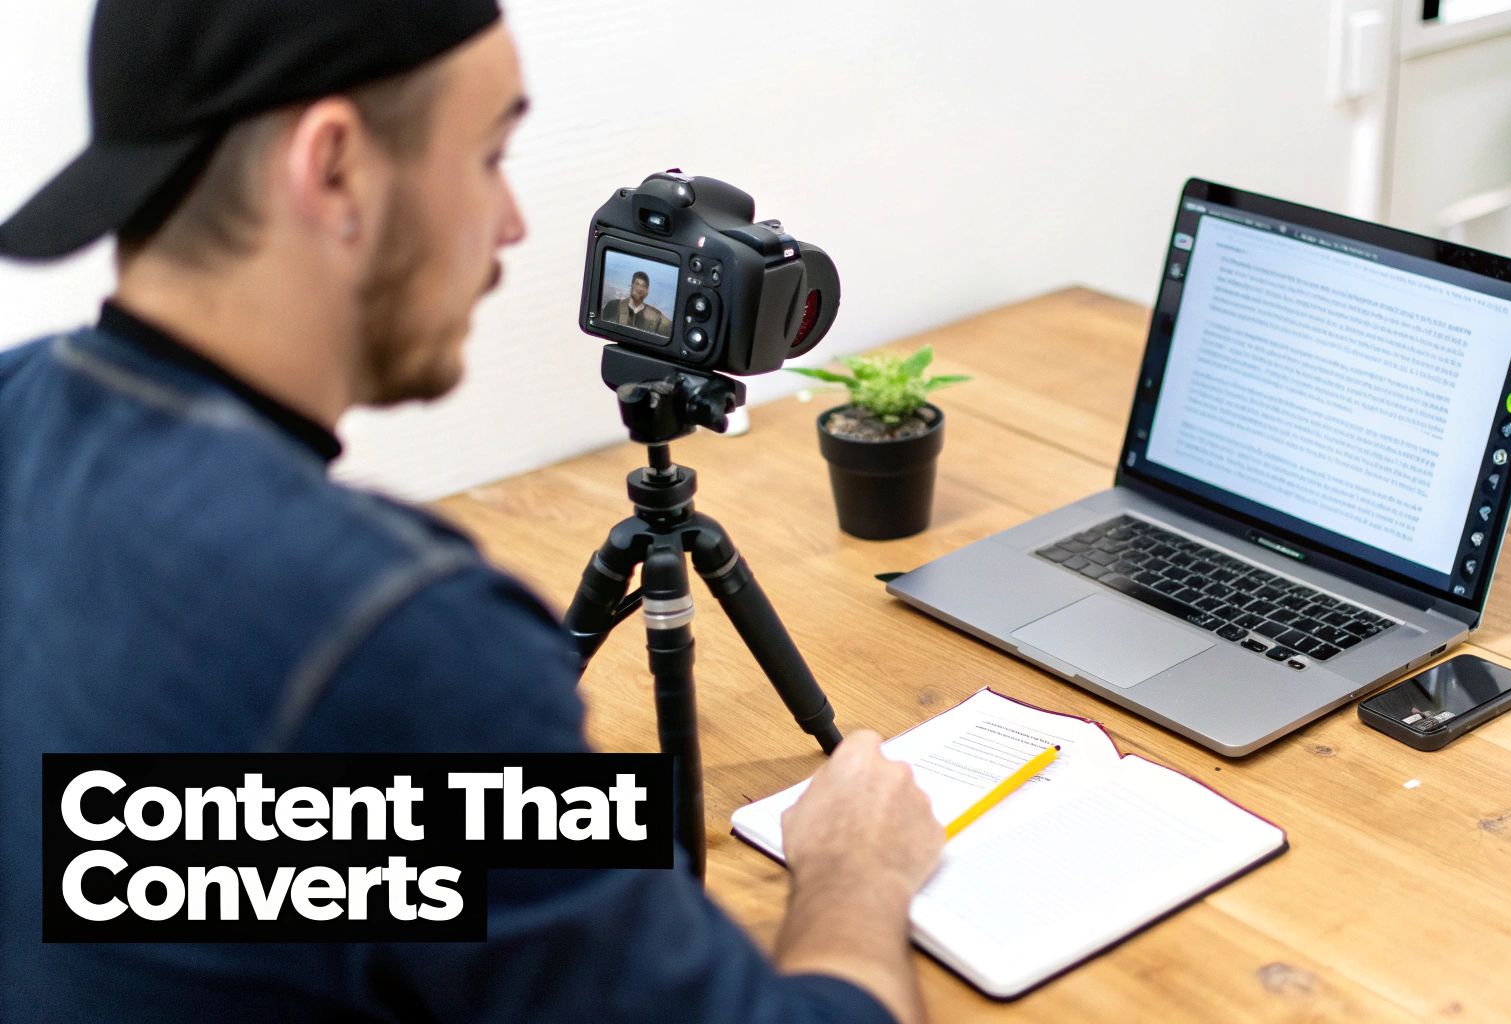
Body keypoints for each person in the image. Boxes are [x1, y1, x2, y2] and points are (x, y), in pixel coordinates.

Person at [0, 2, 944, 1022]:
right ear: (333, 167)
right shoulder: (393, 632)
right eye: (489, 155)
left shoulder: (18, 408)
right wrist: (852, 868)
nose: (512, 222)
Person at [601, 269, 673, 335]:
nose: (640, 289)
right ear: (631, 286)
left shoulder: (656, 317)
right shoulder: (613, 305)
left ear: (647, 291)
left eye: (644, 286)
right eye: (637, 284)